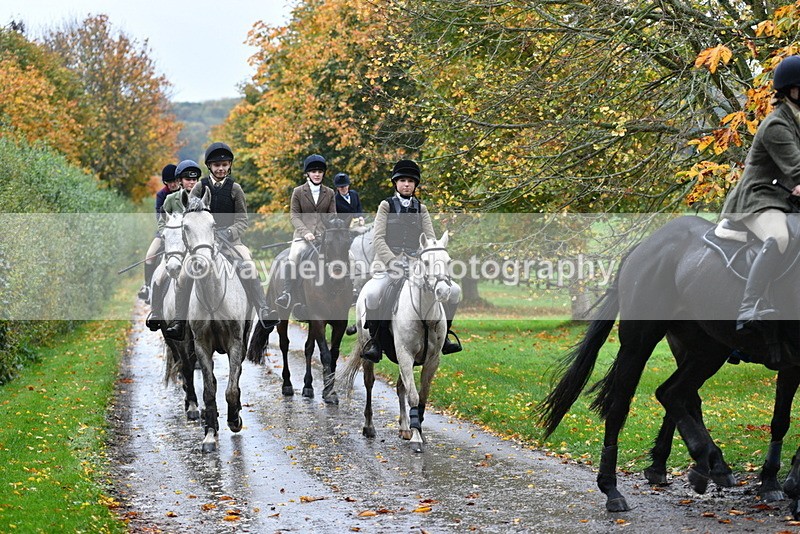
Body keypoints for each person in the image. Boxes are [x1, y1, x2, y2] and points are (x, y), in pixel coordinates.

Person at [164, 143, 278, 339]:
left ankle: (263, 310)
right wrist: (204, 234)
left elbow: (243, 220)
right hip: (203, 243)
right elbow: (190, 215)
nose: (221, 169)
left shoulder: (236, 189)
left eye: (225, 165)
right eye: (217, 165)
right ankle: (179, 321)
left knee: (248, 266)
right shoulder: (199, 187)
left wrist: (229, 233)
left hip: (232, 242)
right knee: (184, 276)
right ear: (210, 167)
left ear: (229, 166)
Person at [721, 54, 800, 333]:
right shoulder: (777, 125)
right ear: (792, 90)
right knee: (779, 237)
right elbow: (797, 168)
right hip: (758, 198)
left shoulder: (797, 120)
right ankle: (748, 307)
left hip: (783, 197)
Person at [360, 159, 462, 362]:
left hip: (417, 265)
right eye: (402, 181)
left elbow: (430, 240)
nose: (406, 184)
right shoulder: (386, 205)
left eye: (410, 181)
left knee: (455, 291)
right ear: (396, 183)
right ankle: (375, 342)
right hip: (388, 265)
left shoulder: (421, 208)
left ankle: (445, 337)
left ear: (415, 185)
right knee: (372, 294)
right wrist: (392, 261)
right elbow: (378, 238)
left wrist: (426, 259)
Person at [274, 154, 336, 316]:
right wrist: (306, 232)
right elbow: (294, 216)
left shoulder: (329, 193)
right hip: (303, 237)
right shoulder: (298, 192)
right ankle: (287, 294)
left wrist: (330, 232)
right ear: (307, 174)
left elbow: (332, 216)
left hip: (323, 237)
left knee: (346, 255)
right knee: (294, 256)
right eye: (314, 171)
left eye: (320, 171)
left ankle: (350, 290)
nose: (317, 174)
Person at [145, 160, 200, 331]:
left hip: (192, 243)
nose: (174, 184)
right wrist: (165, 234)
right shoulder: (167, 198)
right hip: (170, 239)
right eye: (185, 179)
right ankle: (155, 310)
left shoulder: (201, 197)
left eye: (193, 179)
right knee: (159, 270)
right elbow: (161, 220)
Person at [138, 163, 178, 303]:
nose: (173, 184)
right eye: (169, 182)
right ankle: (147, 286)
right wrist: (166, 234)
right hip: (165, 231)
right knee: (150, 255)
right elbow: (159, 218)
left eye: (175, 180)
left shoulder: (186, 192)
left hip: (182, 232)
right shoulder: (161, 195)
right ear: (165, 182)